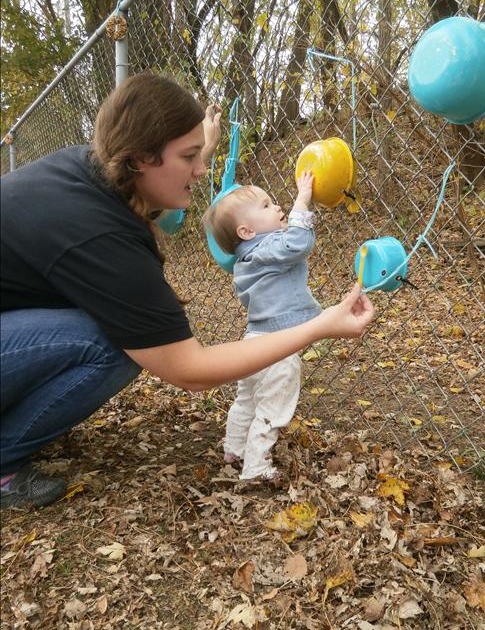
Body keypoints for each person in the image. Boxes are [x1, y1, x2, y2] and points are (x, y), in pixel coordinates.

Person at [0, 71, 375, 509]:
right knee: (116, 343)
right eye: (190, 156)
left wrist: (199, 147)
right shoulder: (98, 236)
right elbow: (189, 369)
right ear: (140, 158)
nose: (201, 170)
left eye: (201, 153)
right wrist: (318, 326)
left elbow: (153, 194)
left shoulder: (91, 170)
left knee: (116, 330)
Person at [203, 171, 323, 483]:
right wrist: (302, 201)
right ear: (246, 231)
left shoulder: (246, 259)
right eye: (266, 205)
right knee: (273, 404)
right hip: (277, 346)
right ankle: (256, 466)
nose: (277, 206)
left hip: (253, 342)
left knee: (247, 398)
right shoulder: (266, 251)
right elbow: (297, 243)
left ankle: (234, 448)